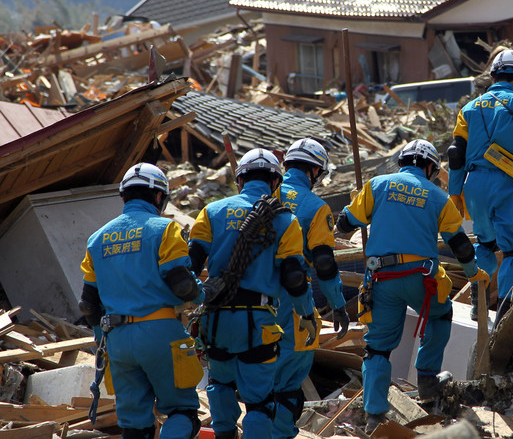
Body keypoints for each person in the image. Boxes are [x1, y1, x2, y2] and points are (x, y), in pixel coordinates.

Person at [335, 139, 489, 433]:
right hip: (423, 280)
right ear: (431, 168)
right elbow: (460, 244)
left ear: (402, 162)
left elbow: (344, 224)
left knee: (377, 350)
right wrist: (473, 274)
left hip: (382, 279)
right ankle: (428, 381)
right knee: (440, 317)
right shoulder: (438, 196)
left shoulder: (378, 185)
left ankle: (374, 418)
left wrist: (356, 204)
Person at [188, 149, 317, 439]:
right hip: (258, 322)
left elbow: (190, 268)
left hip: (216, 320)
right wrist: (306, 314)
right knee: (259, 402)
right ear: (275, 182)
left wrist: (197, 297)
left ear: (240, 179)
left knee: (219, 385)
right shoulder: (286, 220)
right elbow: (295, 278)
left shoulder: (211, 211)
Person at [79, 163, 204, 439]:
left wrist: (103, 338)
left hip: (119, 342)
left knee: (135, 426)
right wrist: (202, 293)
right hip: (161, 335)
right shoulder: (165, 229)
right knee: (183, 413)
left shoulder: (96, 239)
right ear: (159, 197)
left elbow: (88, 305)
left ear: (124, 196)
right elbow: (183, 285)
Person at [447, 48, 513, 321]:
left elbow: (455, 153)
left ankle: (478, 300)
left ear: (494, 75)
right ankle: (505, 312)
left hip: (474, 185)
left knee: (484, 243)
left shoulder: (469, 109)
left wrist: (455, 193)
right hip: (509, 185)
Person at [273, 138, 349, 439]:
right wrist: (338, 304)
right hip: (293, 303)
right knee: (288, 383)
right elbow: (325, 264)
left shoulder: (260, 196)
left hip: (247, 300)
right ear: (315, 171)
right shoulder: (315, 208)